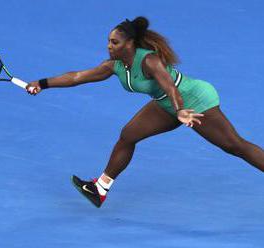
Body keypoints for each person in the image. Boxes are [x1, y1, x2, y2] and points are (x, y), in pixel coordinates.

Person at [26, 17, 264, 208]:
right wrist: (42, 83)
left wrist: (180, 111)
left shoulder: (149, 61)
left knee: (235, 146)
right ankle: (100, 189)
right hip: (166, 104)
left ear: (129, 44)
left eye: (114, 43)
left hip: (193, 99)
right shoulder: (114, 66)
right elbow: (77, 77)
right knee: (128, 135)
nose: (109, 46)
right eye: (108, 41)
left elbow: (170, 87)